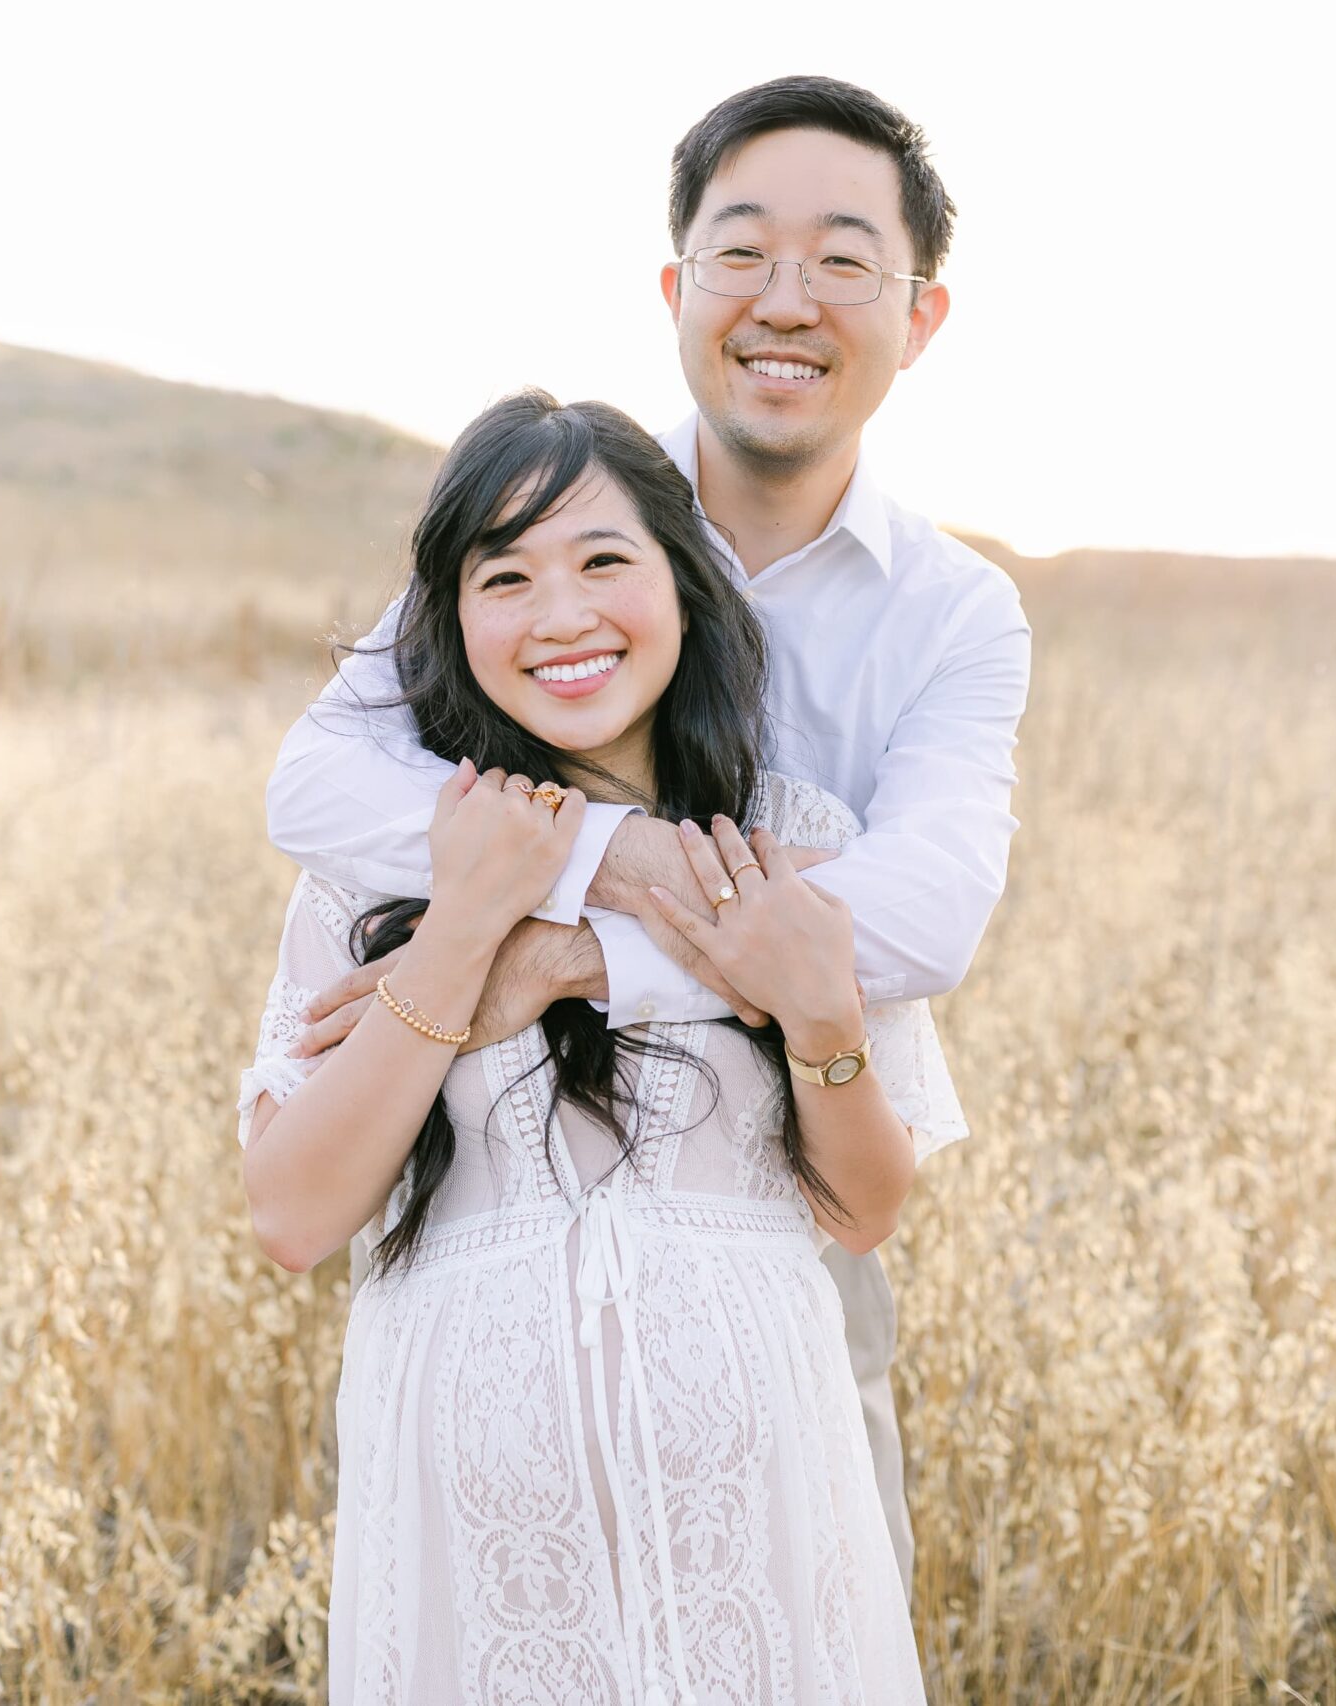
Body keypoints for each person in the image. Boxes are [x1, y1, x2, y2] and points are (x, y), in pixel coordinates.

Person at [264, 75, 1030, 1592]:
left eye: (842, 261)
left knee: (812, 1588)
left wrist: (559, 960)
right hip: (488, 1243)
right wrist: (605, 861)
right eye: (742, 253)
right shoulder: (554, 523)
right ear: (680, 288)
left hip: (772, 1221)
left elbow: (923, 918)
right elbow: (315, 783)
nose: (785, 300)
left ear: (921, 313)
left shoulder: (953, 610)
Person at [240, 392, 962, 1700]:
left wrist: (825, 1020)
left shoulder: (788, 840)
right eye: (504, 575)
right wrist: (465, 935)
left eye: (604, 561)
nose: (561, 614)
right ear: (452, 625)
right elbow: (293, 1213)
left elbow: (866, 1205)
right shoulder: (376, 870)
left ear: (682, 586)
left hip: (760, 1537)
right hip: (485, 1571)